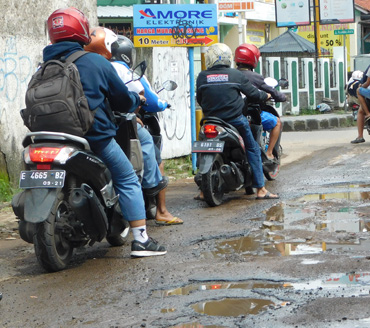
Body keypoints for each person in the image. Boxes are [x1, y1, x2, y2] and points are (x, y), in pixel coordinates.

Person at [43, 8, 166, 257]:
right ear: (81, 31)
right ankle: (141, 240)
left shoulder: (43, 66)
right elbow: (121, 100)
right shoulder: (95, 61)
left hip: (46, 138)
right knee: (128, 178)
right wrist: (135, 100)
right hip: (92, 137)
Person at [107, 34, 183, 225]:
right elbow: (149, 99)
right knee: (150, 145)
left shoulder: (97, 66)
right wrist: (162, 103)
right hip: (121, 121)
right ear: (126, 55)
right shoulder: (126, 71)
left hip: (99, 122)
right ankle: (157, 200)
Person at [196, 43, 278, 200]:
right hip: (234, 121)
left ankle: (201, 190)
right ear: (228, 59)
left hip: (210, 122)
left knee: (203, 147)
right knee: (252, 148)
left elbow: (200, 98)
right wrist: (266, 96)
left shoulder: (202, 76)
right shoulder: (235, 75)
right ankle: (260, 188)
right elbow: (253, 94)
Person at [233, 43, 287, 161]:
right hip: (250, 115)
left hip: (232, 115)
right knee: (277, 122)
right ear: (254, 59)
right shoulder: (255, 77)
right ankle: (269, 153)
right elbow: (270, 91)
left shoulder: (231, 75)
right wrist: (282, 97)